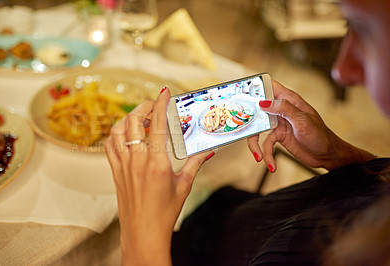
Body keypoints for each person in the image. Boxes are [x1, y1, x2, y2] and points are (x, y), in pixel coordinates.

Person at [104, 0, 390, 265]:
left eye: (366, 32)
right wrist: (343, 157)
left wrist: (139, 239)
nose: (340, 70)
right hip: (221, 226)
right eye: (348, 26)